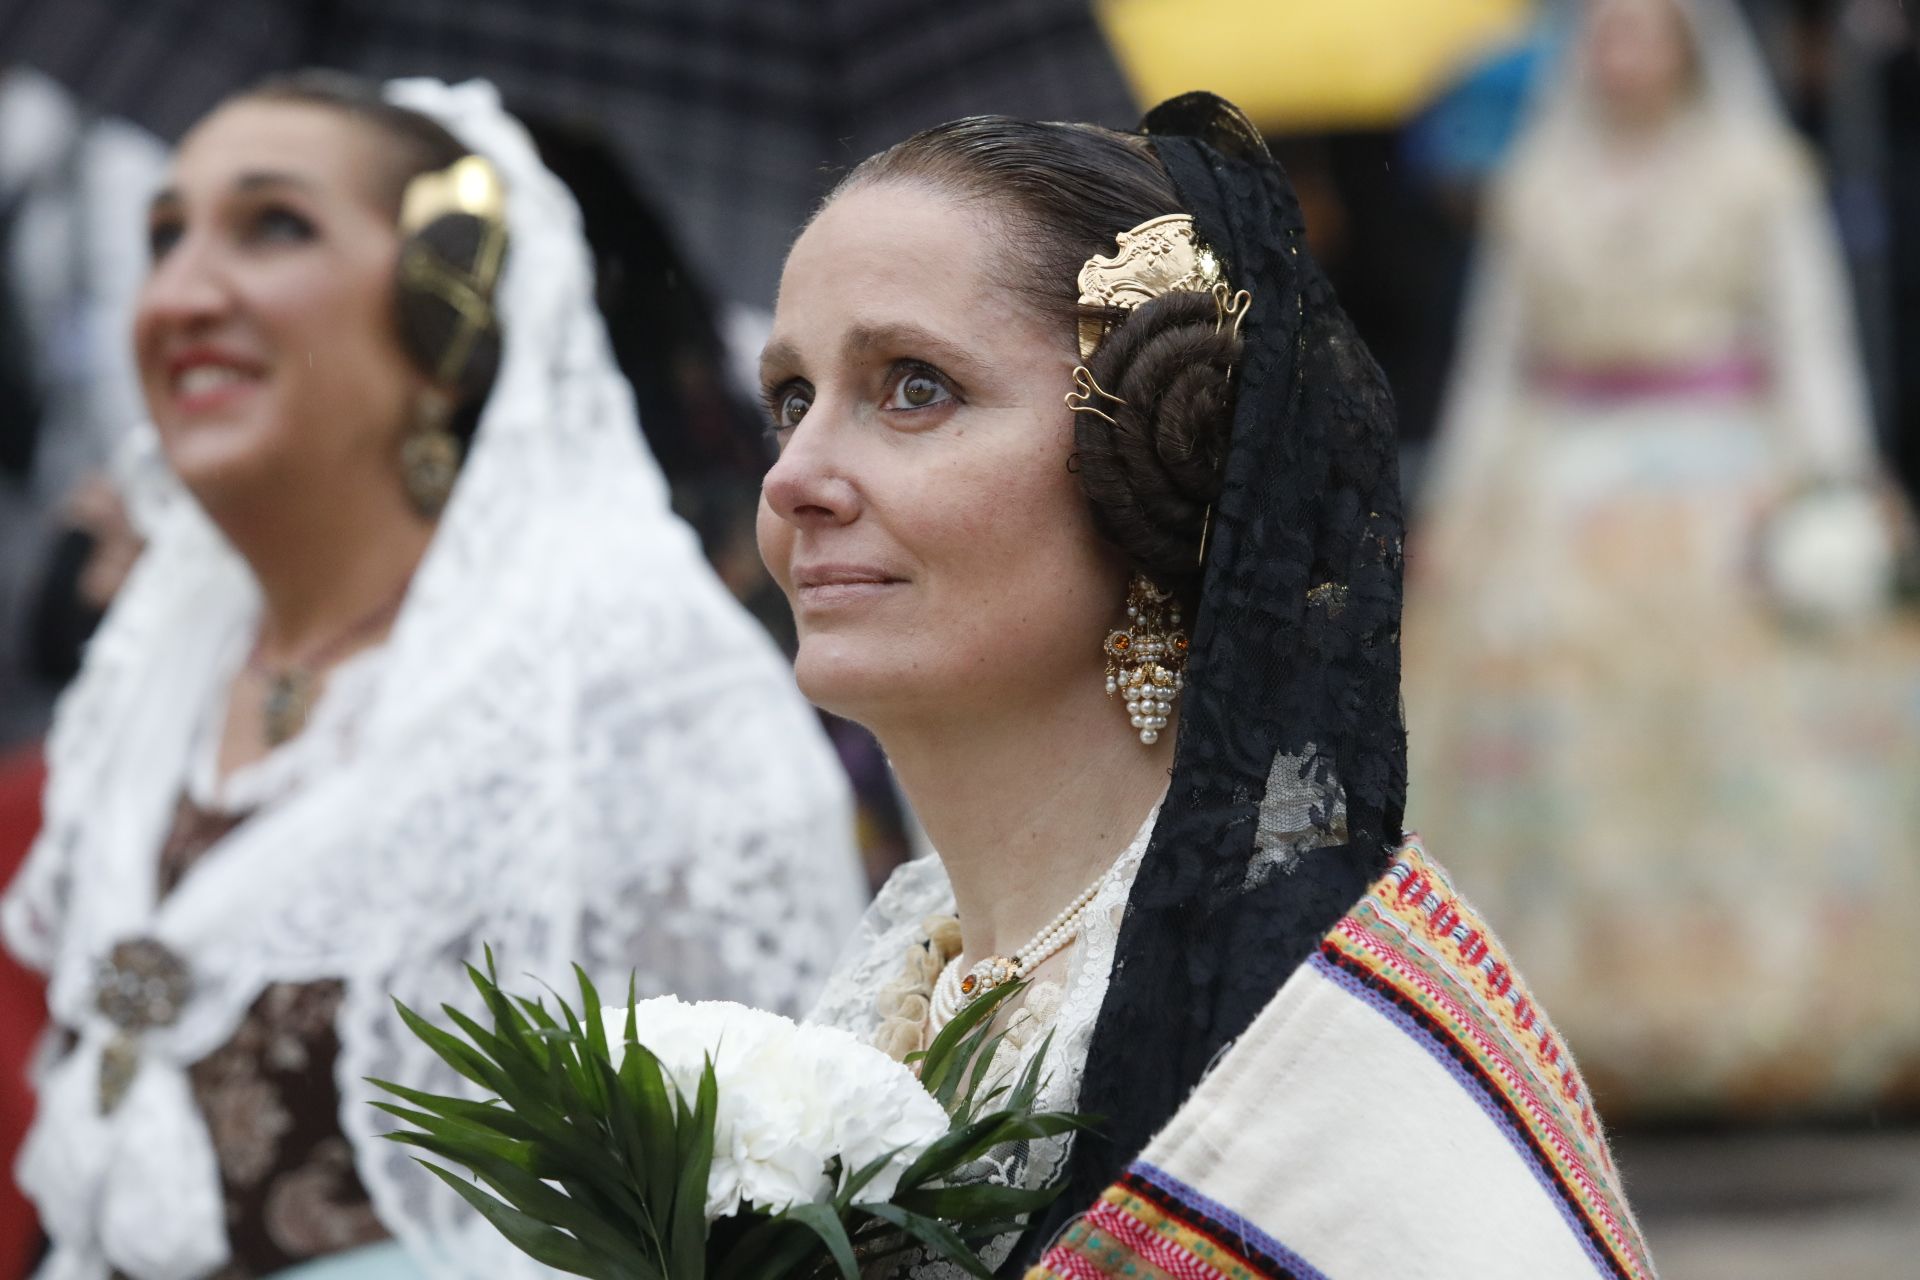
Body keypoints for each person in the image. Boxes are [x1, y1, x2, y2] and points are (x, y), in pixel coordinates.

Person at [766, 92, 1655, 1278]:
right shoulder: (903, 975)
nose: (798, 476)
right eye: (789, 399)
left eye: (913, 387)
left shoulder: (1326, 1038)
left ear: (1159, 450)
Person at [0, 74, 863, 1280]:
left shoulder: (631, 690)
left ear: (448, 313)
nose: (182, 292)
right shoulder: (165, 656)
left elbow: (744, 1216)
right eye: (163, 235)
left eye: (274, 225)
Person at [1404, 0, 1920, 1117]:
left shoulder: (1757, 173)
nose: (1623, 49)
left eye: (1645, 29)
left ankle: (1759, 1008)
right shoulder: (1536, 177)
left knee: (1740, 734)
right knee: (1555, 738)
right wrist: (1456, 499)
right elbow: (1497, 360)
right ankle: (1566, 1022)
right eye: (1607, 30)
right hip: (1556, 491)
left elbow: (1808, 338)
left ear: (1689, 44)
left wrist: (1834, 480)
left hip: (1719, 486)